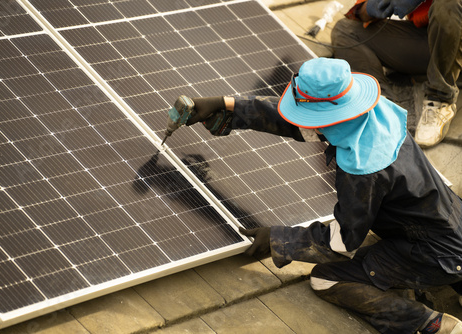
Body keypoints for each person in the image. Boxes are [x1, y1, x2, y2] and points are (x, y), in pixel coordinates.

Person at [180, 58, 462, 334]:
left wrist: (280, 240)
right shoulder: (372, 113)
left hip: (435, 254)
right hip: (450, 221)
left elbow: (340, 244)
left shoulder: (362, 170)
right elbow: (304, 122)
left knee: (326, 280)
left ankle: (432, 325)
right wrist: (227, 106)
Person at [330, 0, 461, 147]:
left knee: (447, 4)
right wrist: (374, 6)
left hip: (457, 35)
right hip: (431, 39)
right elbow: (361, 13)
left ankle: (440, 98)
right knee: (346, 30)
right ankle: (381, 108)